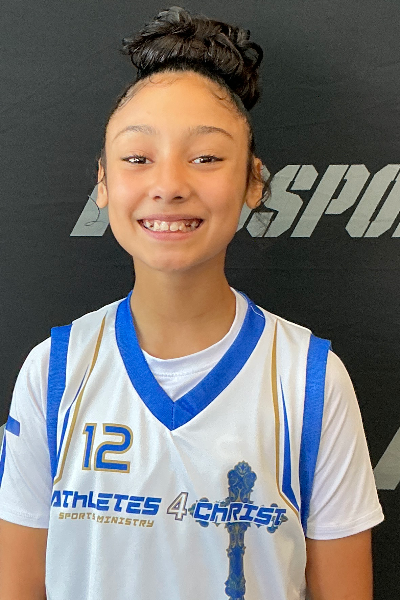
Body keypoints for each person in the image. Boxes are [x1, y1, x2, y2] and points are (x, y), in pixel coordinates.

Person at [0, 6, 383, 600]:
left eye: (206, 158)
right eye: (138, 158)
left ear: (253, 181)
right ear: (102, 182)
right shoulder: (54, 372)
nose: (170, 185)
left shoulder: (309, 380)